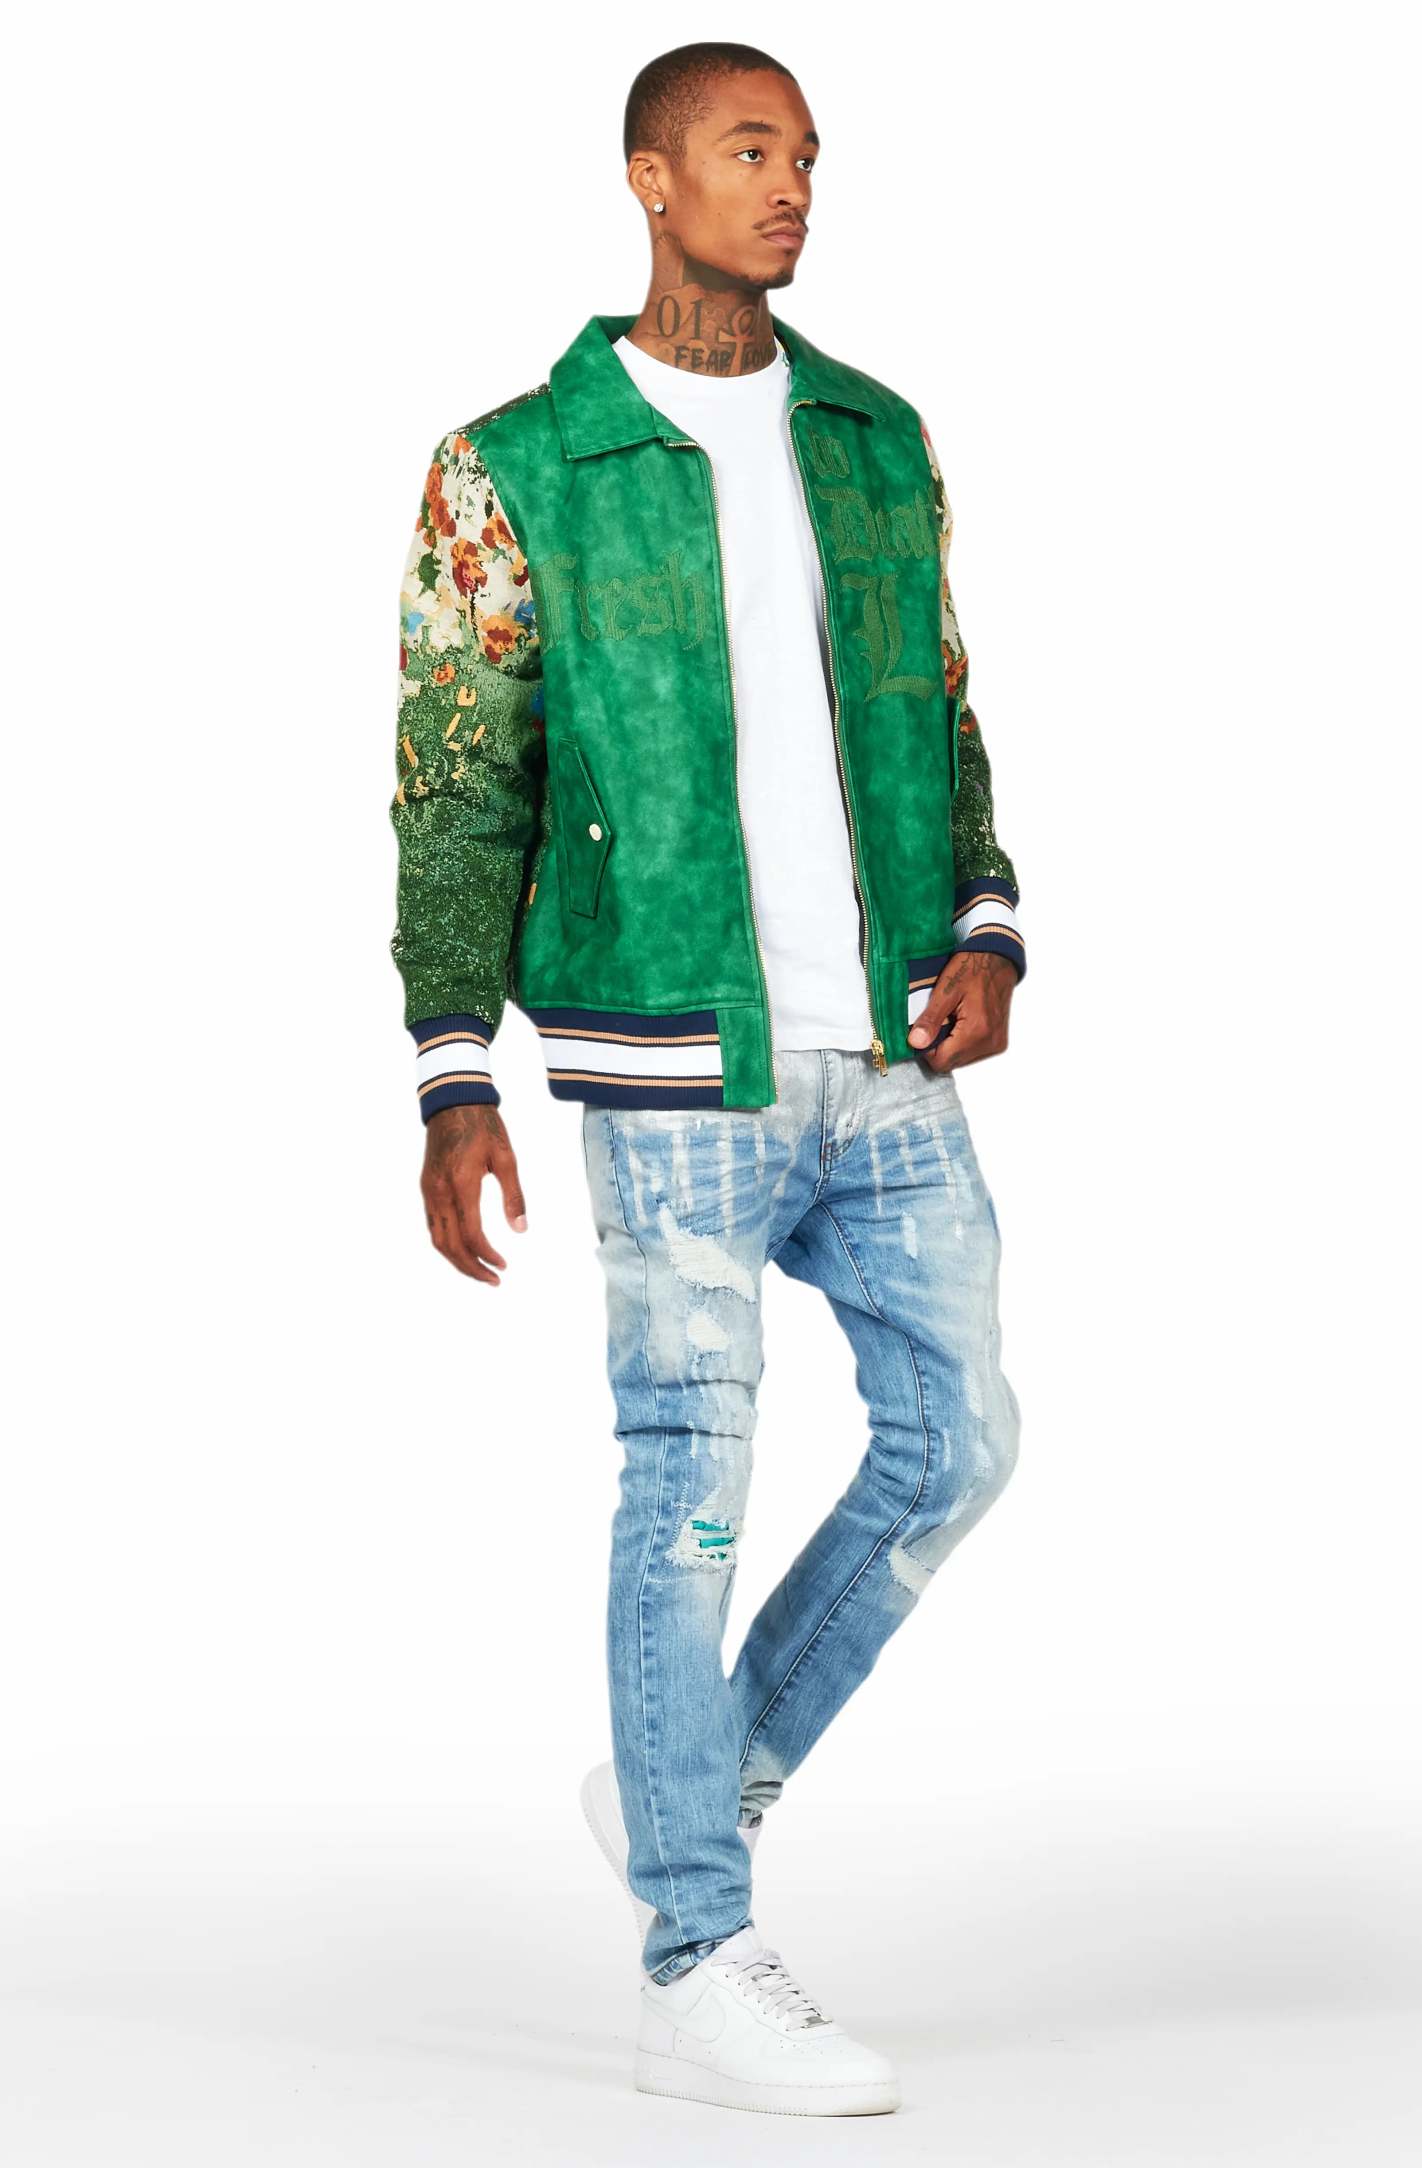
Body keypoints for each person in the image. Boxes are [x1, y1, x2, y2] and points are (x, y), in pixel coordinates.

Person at [389, 39, 1025, 2119]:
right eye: (751, 150)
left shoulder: (871, 434)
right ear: (650, 179)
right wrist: (452, 1072)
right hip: (673, 1064)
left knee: (960, 1436)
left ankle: (696, 1783)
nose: (793, 186)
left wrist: (986, 923)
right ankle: (694, 1945)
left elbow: (942, 709)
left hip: (888, 1048)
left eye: (809, 155)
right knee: (690, 1488)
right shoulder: (517, 464)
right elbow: (456, 783)